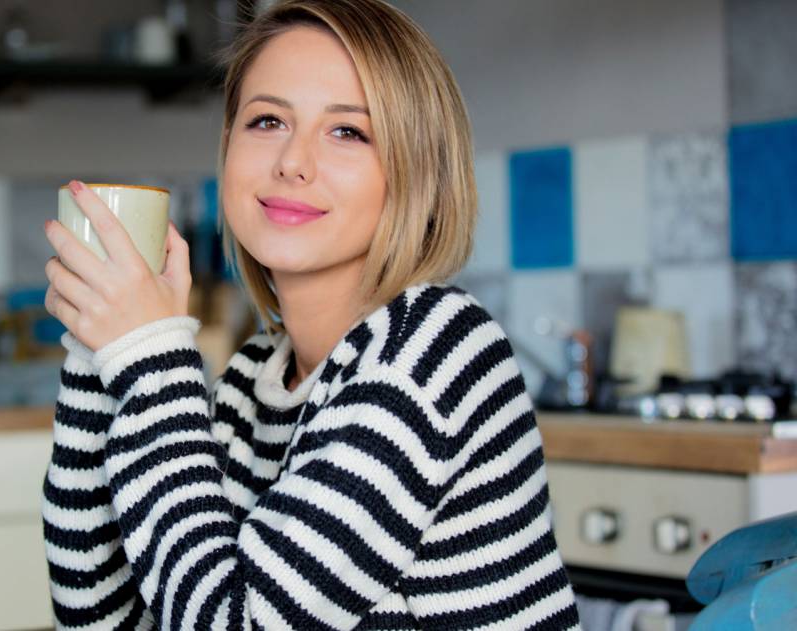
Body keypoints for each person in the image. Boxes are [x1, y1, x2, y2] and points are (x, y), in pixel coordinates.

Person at [39, 0, 581, 628]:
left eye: (348, 131)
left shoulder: (436, 347)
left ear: (416, 172)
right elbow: (103, 620)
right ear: (228, 147)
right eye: (267, 121)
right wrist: (97, 347)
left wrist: (149, 358)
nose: (292, 161)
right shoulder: (251, 382)